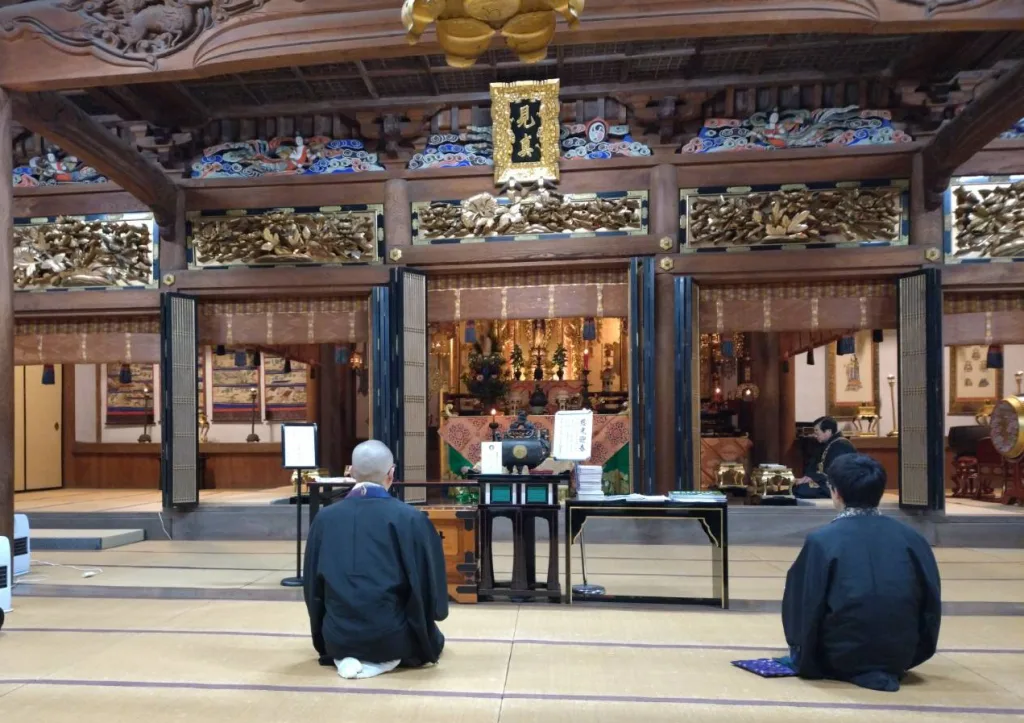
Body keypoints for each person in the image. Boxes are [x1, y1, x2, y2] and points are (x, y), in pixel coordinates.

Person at [782, 454, 941, 692]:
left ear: (836, 492)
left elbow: (803, 604)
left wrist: (803, 654)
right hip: (901, 654)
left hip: (839, 655)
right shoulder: (912, 538)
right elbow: (931, 602)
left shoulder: (823, 540)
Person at [303, 440, 449, 680]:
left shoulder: (324, 519)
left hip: (337, 637)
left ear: (351, 471)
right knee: (434, 638)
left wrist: (324, 633)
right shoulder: (410, 518)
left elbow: (312, 587)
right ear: (391, 473)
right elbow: (428, 586)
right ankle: (380, 658)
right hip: (391, 636)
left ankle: (348, 655)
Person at [792, 416, 857, 499]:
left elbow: (837, 473)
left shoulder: (842, 446)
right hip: (825, 482)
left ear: (828, 431)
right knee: (797, 487)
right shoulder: (828, 444)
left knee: (801, 490)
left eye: (817, 432)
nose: (815, 435)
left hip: (839, 487)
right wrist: (808, 477)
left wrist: (813, 478)